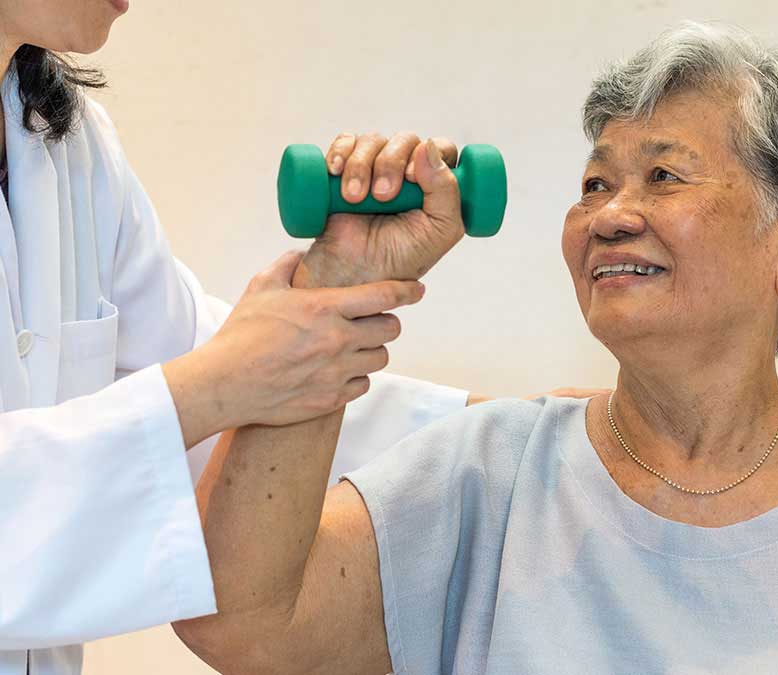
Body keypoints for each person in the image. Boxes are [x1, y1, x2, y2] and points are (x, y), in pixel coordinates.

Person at [174, 21, 778, 675]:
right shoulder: (487, 473)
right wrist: (339, 285)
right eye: (596, 182)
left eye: (663, 176)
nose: (609, 215)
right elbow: (241, 626)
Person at [0, 3, 485, 675]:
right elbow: (211, 381)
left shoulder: (70, 147)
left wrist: (510, 437)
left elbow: (210, 370)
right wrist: (213, 386)